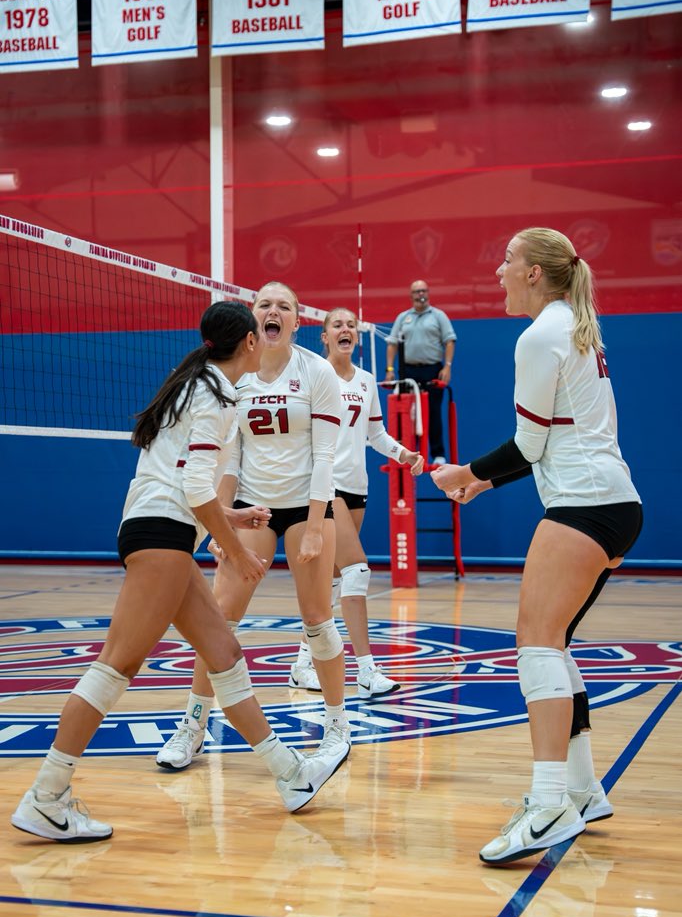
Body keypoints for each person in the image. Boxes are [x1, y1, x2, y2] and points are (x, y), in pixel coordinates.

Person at [11, 301, 350, 843]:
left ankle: (292, 776)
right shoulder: (215, 395)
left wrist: (231, 516)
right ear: (248, 342)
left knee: (225, 653)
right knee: (116, 666)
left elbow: (182, 478)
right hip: (161, 536)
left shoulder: (197, 383)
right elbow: (193, 489)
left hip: (165, 530)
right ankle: (46, 797)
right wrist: (237, 551)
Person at [431, 228, 642, 866]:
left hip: (585, 505)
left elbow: (529, 445)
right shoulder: (574, 326)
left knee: (536, 644)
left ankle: (548, 802)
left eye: (507, 260)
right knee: (555, 641)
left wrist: (460, 475)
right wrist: (481, 484)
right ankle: (582, 790)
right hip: (613, 503)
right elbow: (546, 442)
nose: (498, 270)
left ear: (533, 274)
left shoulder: (541, 334)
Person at [155, 282, 351, 772]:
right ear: (252, 321)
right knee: (217, 621)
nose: (273, 311)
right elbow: (228, 457)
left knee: (317, 619)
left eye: (284, 305)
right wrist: (218, 525)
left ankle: (337, 726)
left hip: (307, 504)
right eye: (264, 304)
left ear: (296, 320)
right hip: (252, 508)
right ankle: (192, 727)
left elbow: (325, 455)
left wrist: (313, 525)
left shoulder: (317, 371)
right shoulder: (233, 379)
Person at [290, 307, 424, 697]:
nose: (345, 329)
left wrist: (404, 454)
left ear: (356, 337)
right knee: (357, 571)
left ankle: (301, 665)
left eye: (351, 325)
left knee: (331, 583)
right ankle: (366, 671)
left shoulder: (367, 381)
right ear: (325, 336)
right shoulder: (314, 374)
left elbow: (377, 434)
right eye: (337, 325)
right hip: (324, 486)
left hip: (357, 487)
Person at [385, 280, 455, 465]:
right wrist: (390, 369)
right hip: (407, 371)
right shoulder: (403, 318)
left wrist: (447, 366)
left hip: (432, 370)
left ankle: (438, 454)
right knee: (408, 414)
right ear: (411, 295)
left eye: (423, 290)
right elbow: (392, 343)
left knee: (433, 412)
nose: (420, 294)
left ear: (428, 293)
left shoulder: (438, 316)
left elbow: (449, 341)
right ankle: (409, 453)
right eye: (416, 291)